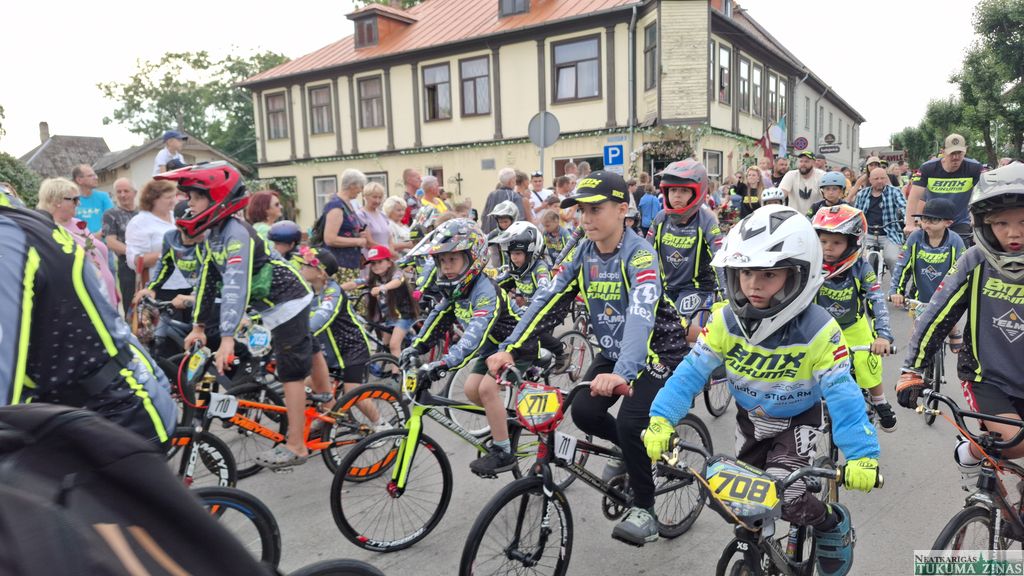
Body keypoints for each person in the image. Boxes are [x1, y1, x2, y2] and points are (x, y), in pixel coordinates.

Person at [644, 205, 881, 575]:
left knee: (788, 497)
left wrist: (862, 455)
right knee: (736, 503)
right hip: (751, 422)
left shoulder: (821, 329)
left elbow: (843, 394)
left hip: (798, 421)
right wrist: (661, 419)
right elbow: (689, 373)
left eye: (769, 273)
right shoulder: (723, 320)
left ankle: (830, 523)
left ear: (798, 275)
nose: (753, 285)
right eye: (745, 272)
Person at [488, 171, 688, 546]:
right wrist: (511, 347)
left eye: (596, 209)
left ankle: (645, 509)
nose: (586, 218)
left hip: (657, 352)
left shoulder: (640, 254)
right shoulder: (583, 251)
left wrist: (622, 373)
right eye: (581, 210)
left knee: (630, 422)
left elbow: (640, 316)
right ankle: (630, 452)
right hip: (615, 352)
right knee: (583, 412)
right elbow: (549, 297)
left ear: (622, 210)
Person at [167, 162, 320, 469]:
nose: (190, 205)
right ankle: (327, 398)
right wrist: (198, 325)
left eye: (196, 198)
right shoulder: (215, 234)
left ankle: (296, 445)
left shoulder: (236, 233)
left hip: (288, 301)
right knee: (307, 346)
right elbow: (209, 277)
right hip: (271, 304)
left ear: (218, 199)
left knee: (290, 369)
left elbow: (236, 286)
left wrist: (226, 338)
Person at [0, 200, 175, 446]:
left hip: (112, 412)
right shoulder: (24, 222)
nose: (75, 203)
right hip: (88, 408)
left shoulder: (9, 237)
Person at [897, 162, 1024, 486]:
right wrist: (912, 370)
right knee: (1016, 442)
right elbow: (937, 313)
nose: (1014, 233)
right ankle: (968, 451)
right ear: (985, 223)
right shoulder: (975, 260)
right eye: (1002, 223)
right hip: (987, 378)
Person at [400, 219, 537, 475]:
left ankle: (504, 452)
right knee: (471, 391)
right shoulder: (455, 289)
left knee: (486, 389)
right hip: (492, 349)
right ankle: (505, 425)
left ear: (473, 257)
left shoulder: (485, 290)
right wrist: (416, 347)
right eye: (442, 261)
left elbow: (474, 336)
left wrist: (444, 363)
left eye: (453, 259)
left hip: (516, 345)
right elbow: (438, 317)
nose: (446, 266)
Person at [811, 204, 897, 432]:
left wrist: (883, 336)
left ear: (853, 243)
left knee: (866, 361)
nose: (828, 248)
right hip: (820, 328)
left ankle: (879, 400)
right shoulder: (811, 266)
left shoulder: (862, 267)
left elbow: (876, 300)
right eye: (823, 241)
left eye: (836, 242)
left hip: (853, 326)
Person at [646, 159, 723, 342]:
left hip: (696, 289)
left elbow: (720, 257)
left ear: (697, 192)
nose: (677, 196)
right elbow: (645, 254)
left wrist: (725, 294)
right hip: (666, 288)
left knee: (678, 327)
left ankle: (708, 345)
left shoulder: (707, 220)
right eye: (673, 190)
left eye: (684, 190)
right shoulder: (660, 218)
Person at [38, 177, 118, 307]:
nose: (79, 203)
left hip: (106, 296)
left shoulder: (78, 224)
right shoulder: (49, 231)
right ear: (57, 201)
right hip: (85, 302)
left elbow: (95, 253)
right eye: (74, 199)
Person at [342, 245, 418, 371]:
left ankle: (398, 374)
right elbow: (356, 283)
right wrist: (336, 289)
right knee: (386, 344)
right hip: (390, 316)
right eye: (373, 263)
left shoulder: (397, 273)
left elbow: (397, 281)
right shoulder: (374, 279)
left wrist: (382, 288)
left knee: (394, 345)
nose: (376, 266)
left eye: (380, 262)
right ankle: (402, 353)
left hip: (404, 315)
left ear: (389, 262)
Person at [890, 198, 966, 312]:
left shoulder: (955, 241)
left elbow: (962, 271)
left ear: (948, 223)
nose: (926, 224)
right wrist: (896, 291)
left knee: (946, 324)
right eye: (924, 218)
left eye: (934, 220)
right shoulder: (915, 237)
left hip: (946, 299)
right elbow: (902, 265)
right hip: (919, 299)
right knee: (918, 323)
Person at [907, 134, 984, 245]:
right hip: (933, 220)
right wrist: (909, 224)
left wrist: (977, 219)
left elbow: (982, 195)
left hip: (960, 221)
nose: (956, 157)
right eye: (952, 153)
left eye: (959, 153)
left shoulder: (974, 168)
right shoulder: (928, 168)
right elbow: (914, 197)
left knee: (962, 248)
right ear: (943, 152)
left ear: (965, 150)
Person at [853, 168, 906, 278]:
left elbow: (904, 207)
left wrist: (908, 221)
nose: (880, 181)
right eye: (876, 178)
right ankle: (865, 287)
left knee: (893, 258)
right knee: (863, 261)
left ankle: (897, 285)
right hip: (867, 235)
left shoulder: (895, 192)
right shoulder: (861, 194)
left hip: (889, 234)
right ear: (870, 180)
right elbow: (856, 215)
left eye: (883, 178)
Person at [323, 169, 373, 284]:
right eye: (361, 186)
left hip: (350, 264)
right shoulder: (336, 206)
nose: (361, 190)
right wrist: (358, 241)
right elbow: (330, 239)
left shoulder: (347, 204)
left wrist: (359, 234)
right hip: (340, 266)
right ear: (352, 185)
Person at [103, 178, 139, 312]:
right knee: (131, 305)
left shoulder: (144, 212)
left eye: (126, 191)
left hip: (149, 264)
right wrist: (135, 254)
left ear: (135, 193)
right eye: (119, 192)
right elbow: (111, 242)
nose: (122, 195)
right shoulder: (111, 214)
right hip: (127, 266)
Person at [779, 150, 825, 217]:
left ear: (813, 163)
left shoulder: (821, 175)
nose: (803, 164)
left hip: (816, 217)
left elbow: (826, 196)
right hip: (794, 217)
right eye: (801, 161)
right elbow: (781, 195)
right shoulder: (791, 175)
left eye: (806, 161)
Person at [71, 164, 113, 235]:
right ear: (79, 180)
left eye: (95, 175)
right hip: (80, 240)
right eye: (90, 176)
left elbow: (111, 221)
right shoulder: (71, 200)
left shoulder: (104, 197)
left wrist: (94, 237)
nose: (96, 177)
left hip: (102, 240)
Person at [481, 168, 526, 234]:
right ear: (510, 182)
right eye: (514, 180)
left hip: (490, 235)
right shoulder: (514, 196)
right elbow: (519, 219)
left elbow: (484, 216)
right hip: (507, 235)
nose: (515, 182)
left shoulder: (492, 194)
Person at [486, 200, 519, 268]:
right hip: (502, 268)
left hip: (519, 267)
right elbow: (483, 242)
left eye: (505, 222)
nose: (503, 224)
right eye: (500, 222)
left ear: (512, 220)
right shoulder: (496, 233)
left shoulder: (520, 231)